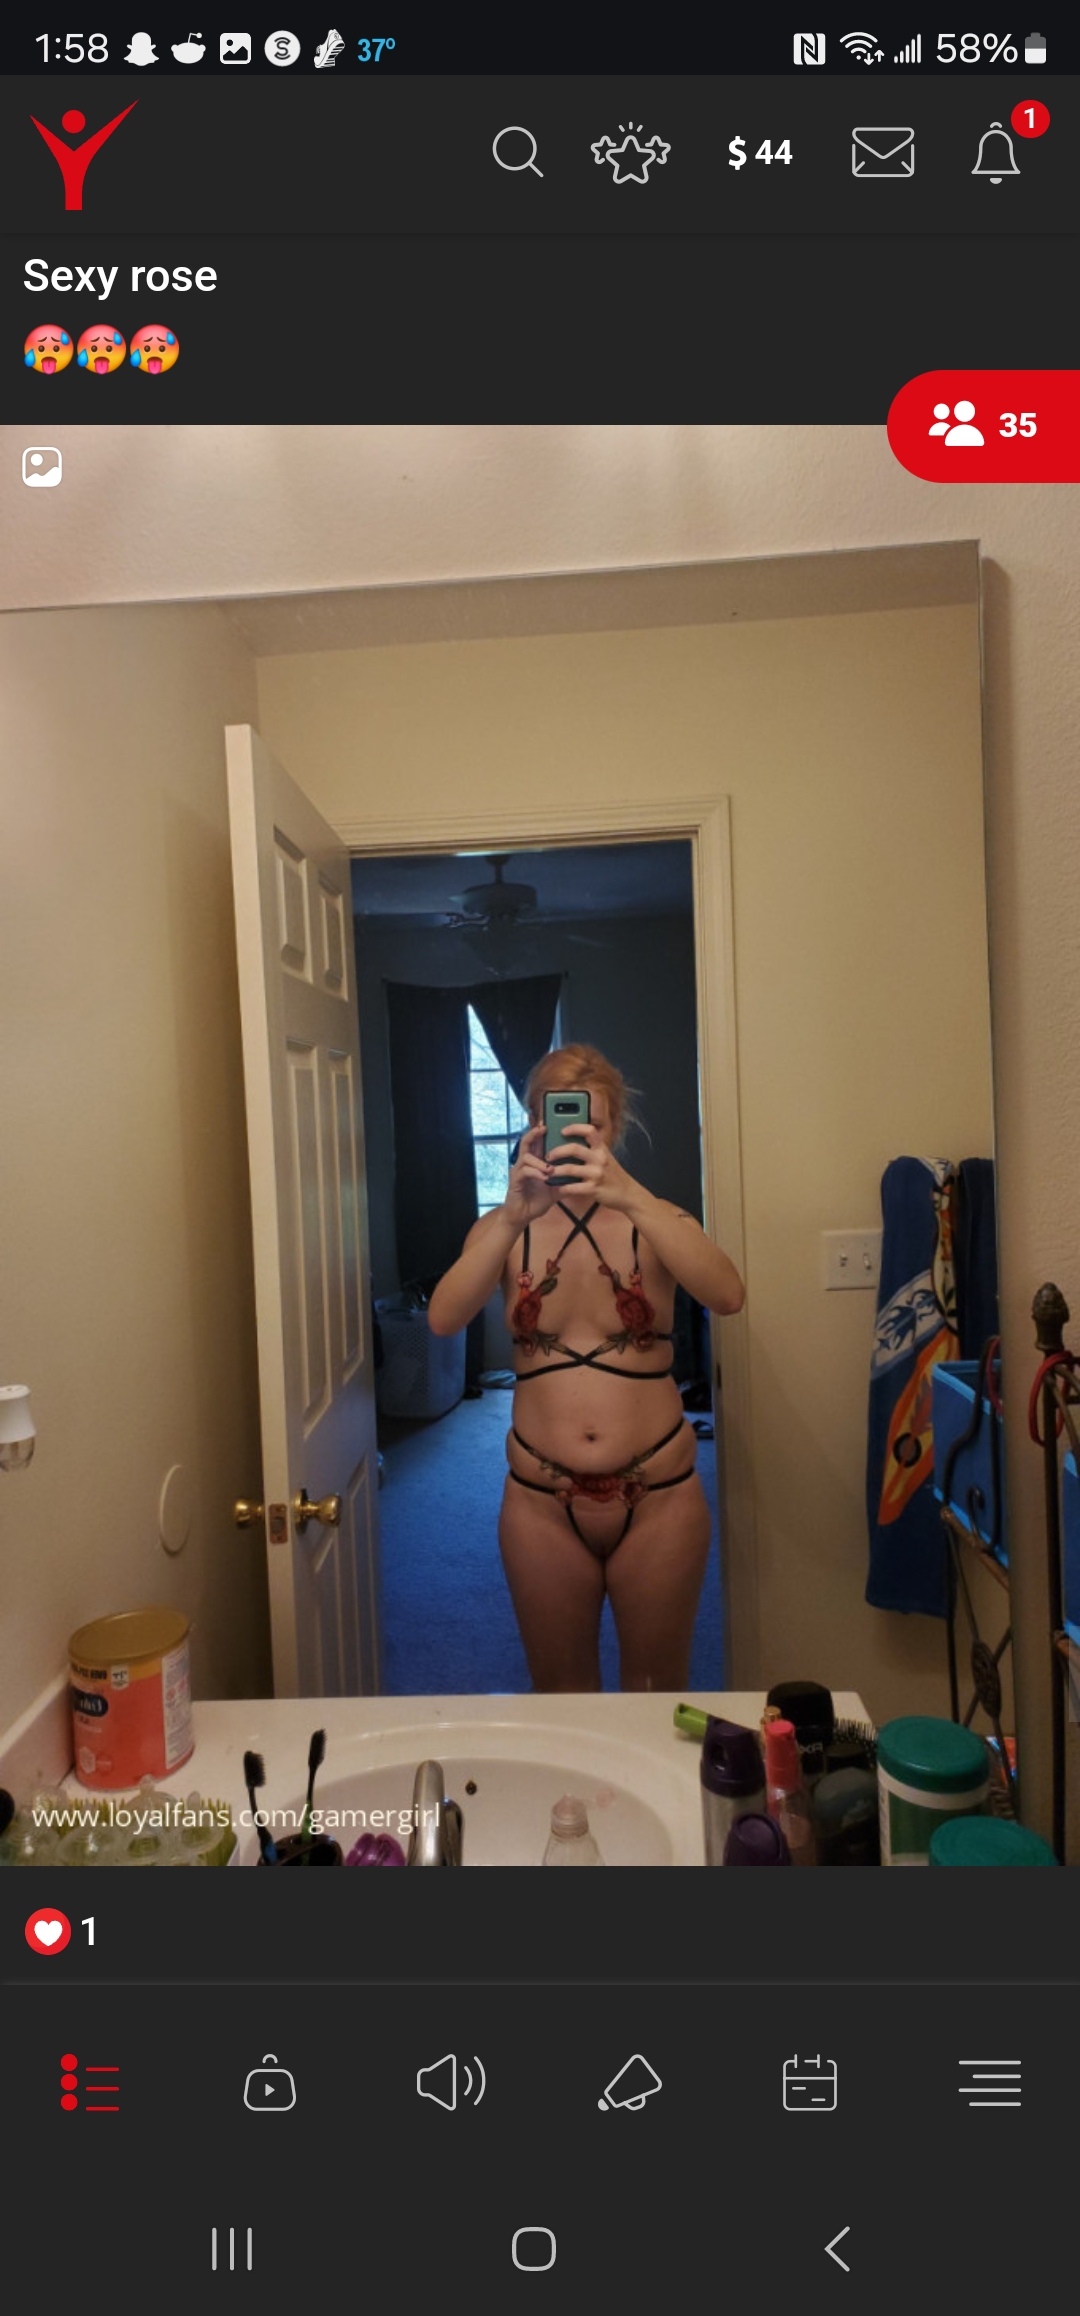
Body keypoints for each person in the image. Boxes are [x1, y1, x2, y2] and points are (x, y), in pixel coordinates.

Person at [427, 1045, 745, 1691]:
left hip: (659, 1499)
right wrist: (512, 1215)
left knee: (655, 1693)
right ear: (533, 1124)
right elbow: (442, 1319)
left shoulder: (656, 1219)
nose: (574, 1137)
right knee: (561, 1694)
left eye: (590, 1125)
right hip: (540, 1503)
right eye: (559, 1121)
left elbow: (728, 1294)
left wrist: (631, 1196)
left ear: (613, 1128)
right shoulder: (502, 1228)